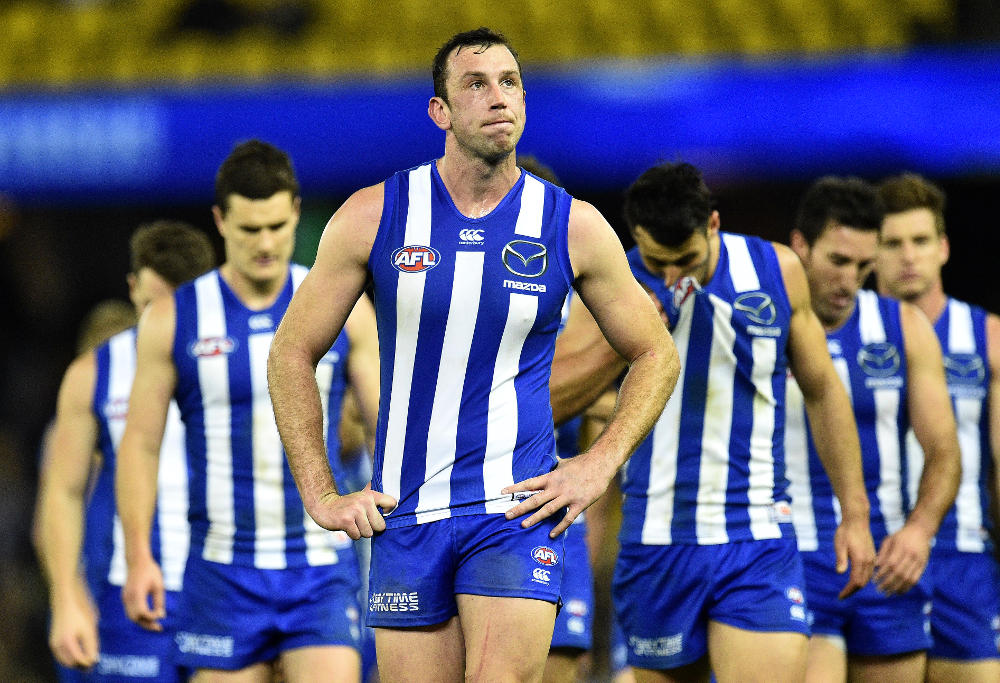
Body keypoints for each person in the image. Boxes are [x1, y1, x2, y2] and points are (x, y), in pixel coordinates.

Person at [267, 27, 679, 683]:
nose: (498, 97)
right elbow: (291, 350)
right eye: (476, 84)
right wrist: (320, 492)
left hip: (515, 513)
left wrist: (599, 465)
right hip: (405, 514)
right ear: (441, 111)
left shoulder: (571, 224)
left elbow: (656, 351)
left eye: (510, 82)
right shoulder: (373, 215)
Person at [116, 140, 381, 682]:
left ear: (297, 213)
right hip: (222, 572)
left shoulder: (345, 306)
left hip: (320, 567)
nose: (265, 243)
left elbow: (389, 426)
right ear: (220, 220)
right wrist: (139, 556)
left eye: (277, 227)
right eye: (249, 229)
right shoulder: (172, 319)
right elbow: (140, 445)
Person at [608, 162, 874, 683]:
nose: (672, 278)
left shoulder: (777, 271)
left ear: (712, 224)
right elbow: (566, 385)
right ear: (636, 236)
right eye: (657, 262)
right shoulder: (614, 282)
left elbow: (823, 390)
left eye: (685, 260)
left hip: (757, 534)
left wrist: (856, 514)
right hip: (656, 535)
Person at [785, 175, 962, 682]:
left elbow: (944, 450)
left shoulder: (904, 327)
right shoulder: (764, 323)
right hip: (790, 558)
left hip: (886, 562)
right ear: (801, 245)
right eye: (838, 261)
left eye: (863, 266)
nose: (850, 280)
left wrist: (920, 531)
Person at [35, 220, 215, 682]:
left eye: (179, 307)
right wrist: (67, 597)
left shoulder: (244, 358)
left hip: (228, 591)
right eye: (154, 305)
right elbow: (63, 492)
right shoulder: (94, 373)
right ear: (133, 288)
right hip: (132, 599)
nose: (164, 323)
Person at [875, 172, 1000, 683]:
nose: (909, 256)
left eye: (921, 240)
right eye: (892, 243)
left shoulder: (989, 338)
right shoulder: (836, 332)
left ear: (943, 248)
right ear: (871, 251)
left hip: (963, 559)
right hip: (874, 556)